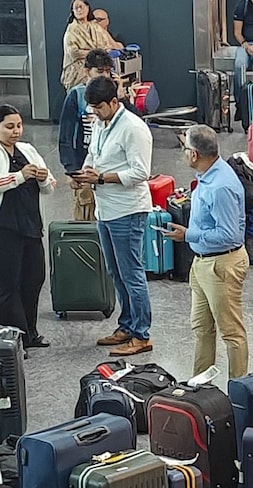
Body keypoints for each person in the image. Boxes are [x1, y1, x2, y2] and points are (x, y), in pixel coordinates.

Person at [71, 76, 155, 356]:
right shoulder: (99, 123)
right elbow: (93, 155)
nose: (94, 112)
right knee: (115, 272)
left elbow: (141, 172)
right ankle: (127, 325)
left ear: (114, 102)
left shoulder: (134, 129)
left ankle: (142, 334)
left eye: (99, 107)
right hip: (105, 209)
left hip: (128, 211)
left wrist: (102, 178)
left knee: (132, 274)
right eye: (91, 107)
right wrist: (84, 175)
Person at [164, 125, 250, 379]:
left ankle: (239, 391)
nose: (183, 154)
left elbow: (230, 235)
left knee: (231, 332)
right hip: (203, 262)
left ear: (194, 154)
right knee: (201, 328)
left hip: (221, 265)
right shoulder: (209, 174)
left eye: (185, 149)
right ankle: (200, 388)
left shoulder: (220, 185)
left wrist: (188, 235)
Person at [0, 104, 55, 351]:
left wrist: (44, 179)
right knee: (8, 284)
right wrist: (20, 176)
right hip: (6, 228)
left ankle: (30, 333)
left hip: (31, 225)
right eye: (9, 127)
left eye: (19, 126)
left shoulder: (28, 150)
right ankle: (14, 339)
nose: (16, 131)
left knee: (34, 279)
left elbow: (51, 185)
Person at [59, 48, 112, 222]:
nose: (104, 75)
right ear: (87, 71)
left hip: (110, 170)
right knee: (86, 218)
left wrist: (123, 97)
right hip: (84, 168)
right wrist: (72, 170)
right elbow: (66, 136)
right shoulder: (77, 95)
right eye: (99, 71)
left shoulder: (115, 94)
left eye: (107, 71)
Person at [61, 0, 113, 89]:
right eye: (76, 8)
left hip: (99, 68)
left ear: (87, 8)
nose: (79, 10)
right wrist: (96, 52)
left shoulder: (96, 27)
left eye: (81, 7)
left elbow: (107, 47)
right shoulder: (71, 30)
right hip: (78, 72)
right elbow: (74, 53)